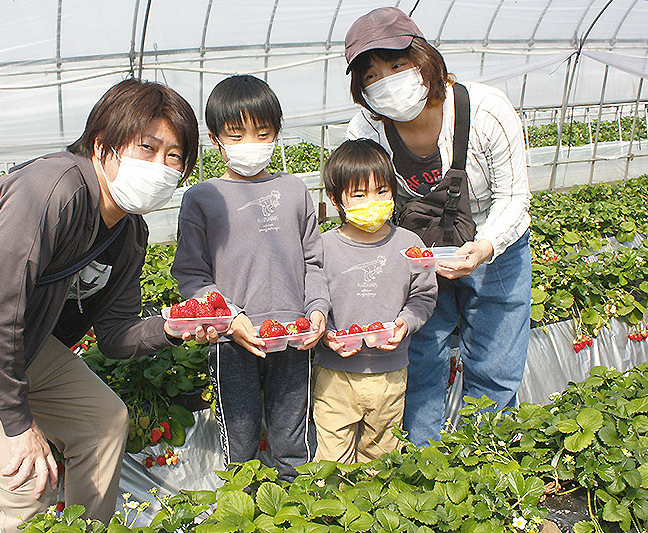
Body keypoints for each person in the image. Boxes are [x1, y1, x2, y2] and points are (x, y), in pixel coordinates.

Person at [0, 78, 205, 532]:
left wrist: (171, 327)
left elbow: (117, 335)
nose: (161, 166)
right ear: (102, 145)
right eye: (147, 147)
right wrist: (19, 424)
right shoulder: (51, 191)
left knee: (103, 422)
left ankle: (87, 528)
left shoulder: (128, 233)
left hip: (11, 336)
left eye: (175, 156)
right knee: (26, 486)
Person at [344, 7, 532, 447]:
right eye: (370, 74)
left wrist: (484, 247)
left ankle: (483, 457)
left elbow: (514, 199)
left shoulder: (485, 109)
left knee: (495, 359)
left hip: (494, 248)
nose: (385, 79)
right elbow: (366, 201)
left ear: (424, 59)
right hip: (419, 253)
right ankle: (424, 462)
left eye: (397, 64)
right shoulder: (366, 129)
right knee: (422, 354)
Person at [170, 75, 329, 481]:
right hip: (232, 341)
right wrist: (230, 317)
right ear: (215, 138)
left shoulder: (294, 190)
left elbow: (314, 260)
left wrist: (317, 310)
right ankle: (246, 511)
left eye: (262, 133)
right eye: (236, 135)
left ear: (276, 132)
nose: (251, 144)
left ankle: (297, 511)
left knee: (292, 436)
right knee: (239, 440)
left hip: (293, 336)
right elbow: (191, 273)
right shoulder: (203, 198)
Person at [314, 138, 437, 463]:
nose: (373, 201)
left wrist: (405, 323)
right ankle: (333, 515)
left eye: (382, 191)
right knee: (331, 464)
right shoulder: (322, 248)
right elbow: (311, 300)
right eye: (359, 194)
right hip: (334, 376)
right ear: (335, 199)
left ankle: (375, 511)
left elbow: (423, 294)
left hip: (390, 374)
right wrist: (325, 335)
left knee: (381, 459)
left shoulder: (410, 244)